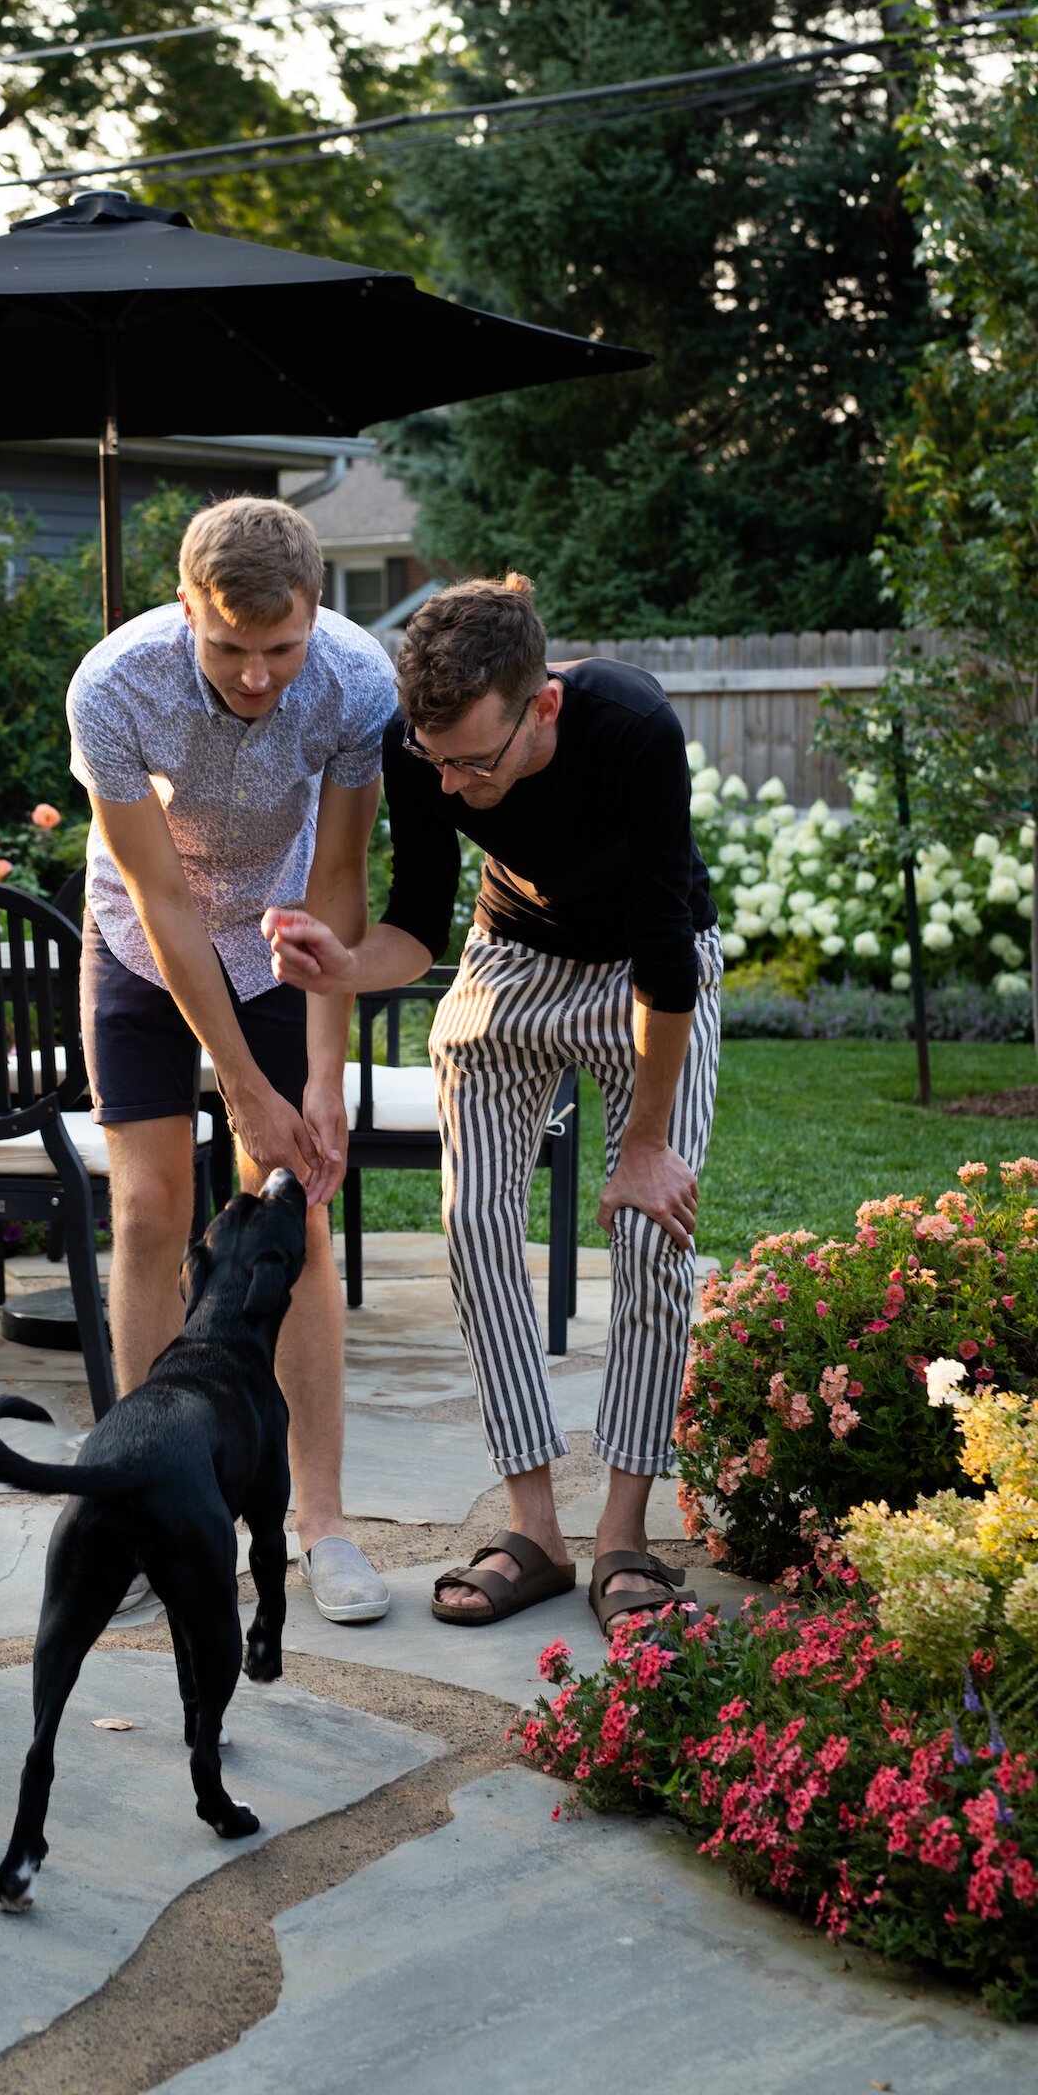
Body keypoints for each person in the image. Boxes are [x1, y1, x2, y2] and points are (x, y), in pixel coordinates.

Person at [264, 574, 721, 1640]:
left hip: (648, 978)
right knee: (472, 1228)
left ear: (543, 707)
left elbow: (663, 957)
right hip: (510, 962)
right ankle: (534, 1534)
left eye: (478, 759)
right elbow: (416, 927)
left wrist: (643, 1145)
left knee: (655, 1235)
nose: (458, 786)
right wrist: (341, 968)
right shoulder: (416, 747)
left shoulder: (631, 727)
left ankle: (619, 1535)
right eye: (439, 762)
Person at [66, 495, 397, 1622]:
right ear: (182, 610)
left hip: (284, 944)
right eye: (228, 647)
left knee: (296, 1214)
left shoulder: (356, 682)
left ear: (316, 616)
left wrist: (315, 1081)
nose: (257, 676)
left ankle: (323, 1527)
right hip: (143, 944)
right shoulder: (113, 688)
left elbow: (341, 885)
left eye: (280, 648)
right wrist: (243, 1091)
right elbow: (160, 897)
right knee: (152, 1211)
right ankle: (143, 1510)